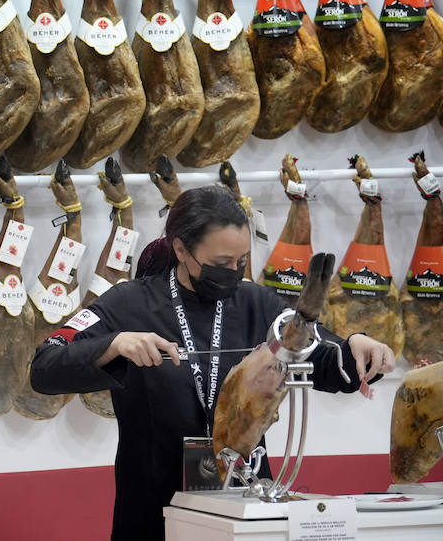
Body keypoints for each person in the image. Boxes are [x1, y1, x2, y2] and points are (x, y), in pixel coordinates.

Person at [28, 184, 397, 541]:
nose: (234, 271)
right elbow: (46, 367)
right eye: (222, 263)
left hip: (246, 509)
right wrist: (115, 343)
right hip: (153, 509)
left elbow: (323, 357)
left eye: (242, 261)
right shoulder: (127, 304)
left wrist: (356, 345)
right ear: (182, 249)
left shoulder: (258, 303)